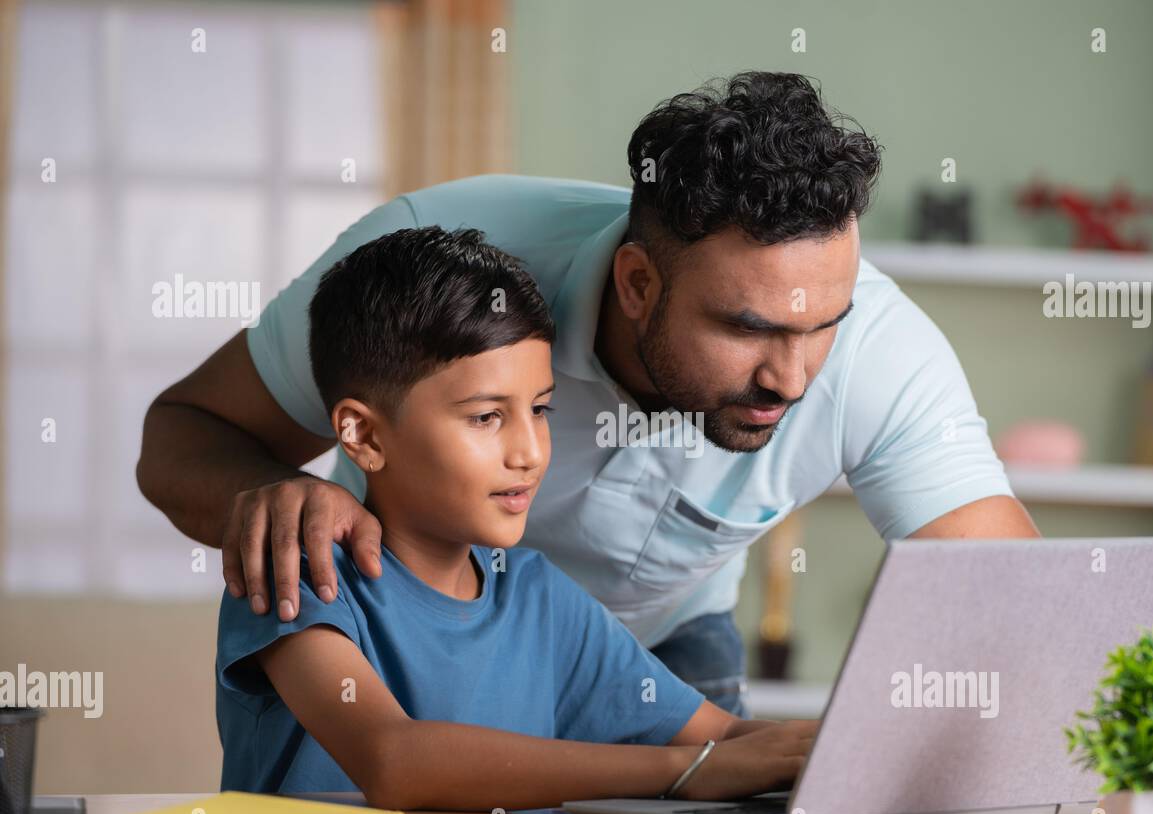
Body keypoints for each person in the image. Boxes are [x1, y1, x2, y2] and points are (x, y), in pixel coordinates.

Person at [141, 71, 1038, 721]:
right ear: (638, 284)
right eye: (747, 328)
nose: (792, 377)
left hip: (662, 663)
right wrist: (279, 500)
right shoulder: (427, 265)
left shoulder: (882, 351)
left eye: (822, 325)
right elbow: (182, 433)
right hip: (406, 637)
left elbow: (1009, 595)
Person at [217, 225, 814, 809]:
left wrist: (843, 750)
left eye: (539, 409)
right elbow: (393, 760)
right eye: (485, 417)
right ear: (364, 435)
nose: (528, 452)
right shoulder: (299, 570)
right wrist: (683, 772)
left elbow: (723, 738)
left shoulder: (540, 599)